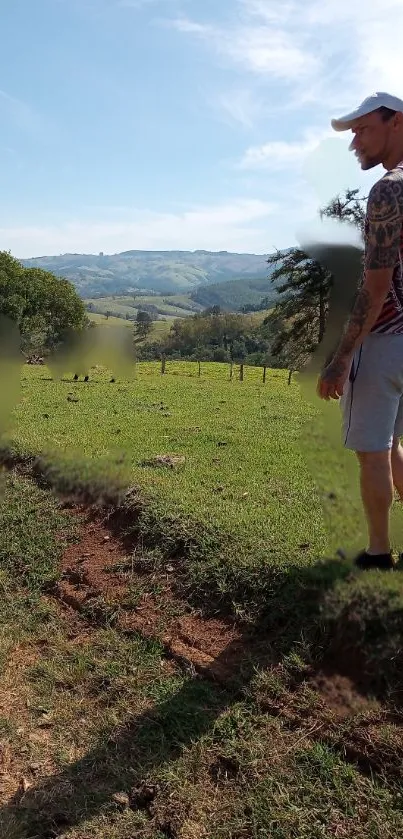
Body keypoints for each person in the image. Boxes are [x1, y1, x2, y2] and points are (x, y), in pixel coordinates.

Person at [317, 92, 403, 570]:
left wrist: (341, 355)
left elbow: (376, 285)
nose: (355, 143)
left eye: (363, 130)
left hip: (387, 339)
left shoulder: (390, 190)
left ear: (397, 123)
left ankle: (377, 554)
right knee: (392, 443)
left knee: (371, 451)